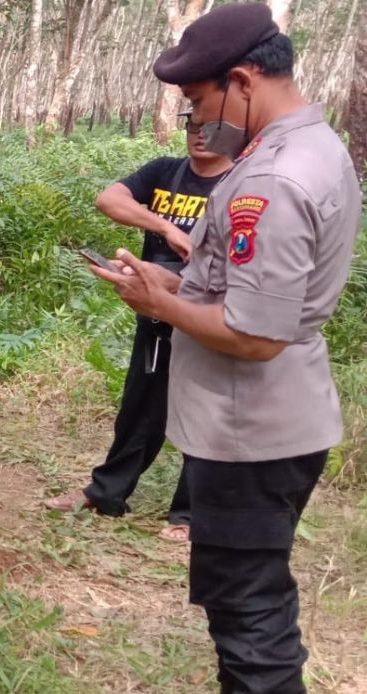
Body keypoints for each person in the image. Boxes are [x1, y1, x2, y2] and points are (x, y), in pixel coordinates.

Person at [92, 4, 362, 692]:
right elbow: (248, 289)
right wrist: (174, 278)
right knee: (249, 605)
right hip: (265, 425)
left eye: (197, 100)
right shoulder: (307, 149)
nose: (195, 119)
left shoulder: (273, 177)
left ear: (242, 81)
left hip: (253, 430)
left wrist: (163, 305)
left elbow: (256, 334)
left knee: (250, 622)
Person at [44, 117, 233, 542]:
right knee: (140, 409)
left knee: (205, 413)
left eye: (212, 125)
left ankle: (189, 515)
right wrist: (165, 227)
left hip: (208, 316)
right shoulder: (166, 171)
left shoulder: (240, 183)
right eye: (193, 123)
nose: (200, 134)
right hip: (156, 314)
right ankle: (106, 494)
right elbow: (108, 199)